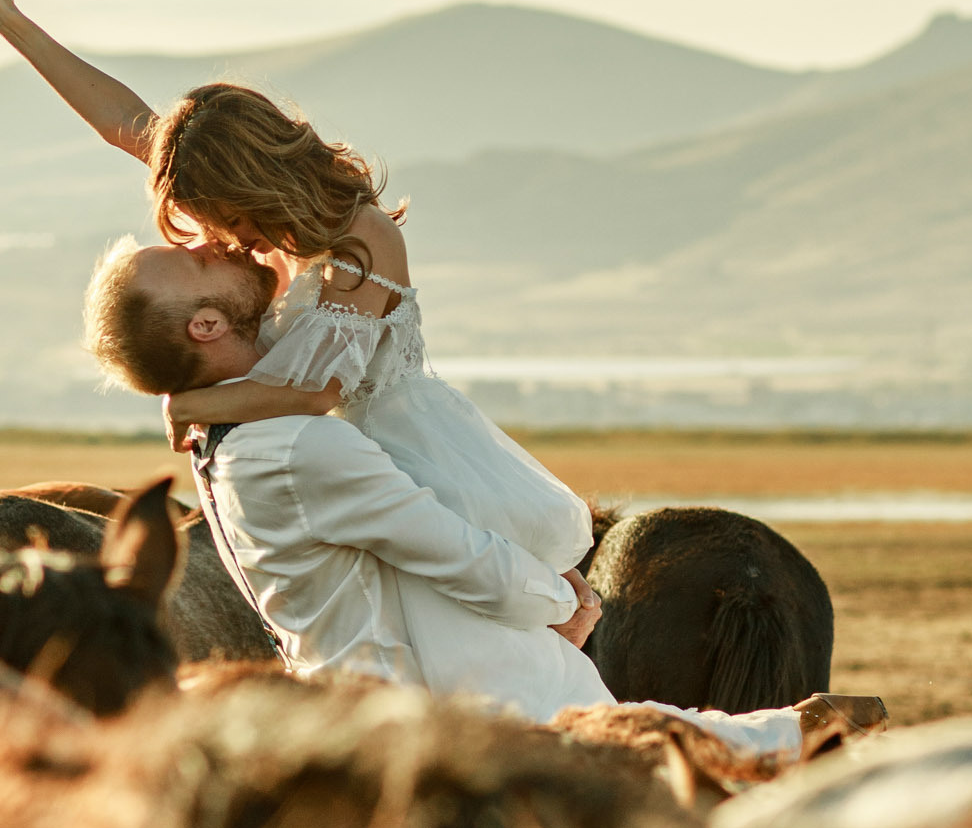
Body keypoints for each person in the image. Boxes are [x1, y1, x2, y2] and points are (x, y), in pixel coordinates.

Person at [0, 0, 600, 619]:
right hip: (323, 473)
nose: (226, 238)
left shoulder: (361, 241)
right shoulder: (251, 220)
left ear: (256, 183)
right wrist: (8, 20)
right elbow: (121, 121)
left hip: (412, 461)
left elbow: (322, 391)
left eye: (227, 217)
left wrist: (196, 402)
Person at [80, 235, 613, 721]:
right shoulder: (298, 447)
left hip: (348, 706)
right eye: (199, 261)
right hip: (434, 713)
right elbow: (465, 559)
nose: (217, 243)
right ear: (207, 326)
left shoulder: (221, 438)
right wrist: (566, 603)